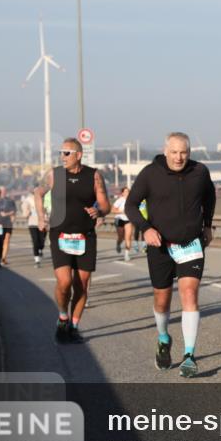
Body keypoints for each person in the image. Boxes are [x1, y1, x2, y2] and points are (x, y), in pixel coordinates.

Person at [125, 132, 215, 378]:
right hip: (160, 245)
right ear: (166, 152)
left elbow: (209, 196)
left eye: (183, 152)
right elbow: (130, 205)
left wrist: (207, 224)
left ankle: (189, 355)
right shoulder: (150, 174)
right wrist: (146, 229)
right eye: (174, 152)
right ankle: (164, 338)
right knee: (162, 300)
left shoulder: (200, 172)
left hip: (191, 245)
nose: (179, 157)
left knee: (189, 293)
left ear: (189, 151)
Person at [35, 139, 111, 343]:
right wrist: (41, 216)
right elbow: (38, 192)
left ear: (79, 155)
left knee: (82, 285)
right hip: (60, 234)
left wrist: (99, 210)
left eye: (67, 153)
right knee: (65, 281)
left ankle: (74, 326)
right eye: (61, 152)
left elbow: (105, 204)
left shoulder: (94, 175)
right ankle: (62, 316)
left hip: (85, 235)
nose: (63, 156)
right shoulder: (54, 174)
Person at [21, 191, 45, 267]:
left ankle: (40, 249)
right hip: (32, 223)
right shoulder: (28, 200)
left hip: (43, 223)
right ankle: (37, 260)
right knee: (35, 241)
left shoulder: (43, 199)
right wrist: (28, 211)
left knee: (42, 241)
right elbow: (24, 211)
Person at [112, 186, 134, 261]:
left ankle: (126, 255)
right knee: (121, 237)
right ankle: (118, 244)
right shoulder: (120, 200)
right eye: (125, 192)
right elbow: (113, 210)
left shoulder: (132, 201)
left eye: (128, 192)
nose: (127, 193)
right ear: (122, 193)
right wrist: (122, 211)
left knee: (128, 237)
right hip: (119, 219)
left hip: (128, 220)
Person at [0, 186, 15, 265]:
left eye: (4, 191)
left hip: (7, 223)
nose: (3, 192)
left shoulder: (10, 201)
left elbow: (13, 211)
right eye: (1, 191)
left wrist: (8, 214)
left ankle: (3, 258)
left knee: (7, 239)